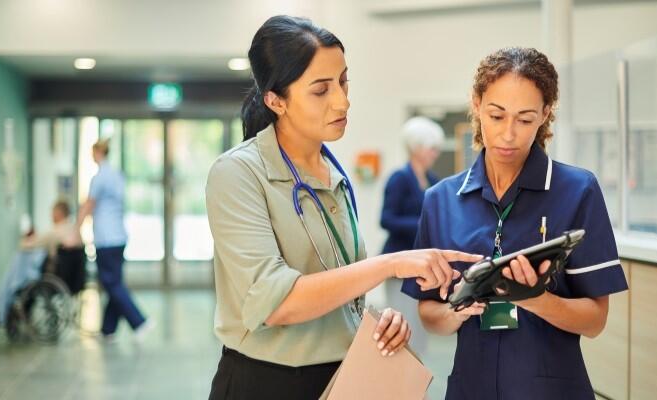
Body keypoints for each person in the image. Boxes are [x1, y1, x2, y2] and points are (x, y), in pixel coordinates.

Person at [206, 15, 480, 400]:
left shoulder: (332, 171)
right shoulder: (237, 173)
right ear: (275, 100)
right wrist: (389, 264)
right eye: (321, 90)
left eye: (343, 81)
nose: (343, 100)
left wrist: (372, 322)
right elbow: (275, 302)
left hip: (343, 376)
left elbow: (338, 288)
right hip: (267, 383)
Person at [402, 47, 629, 399]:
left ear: (545, 114)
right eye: (496, 116)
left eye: (524, 119)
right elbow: (428, 311)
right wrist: (457, 311)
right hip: (469, 388)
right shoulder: (441, 200)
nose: (509, 134)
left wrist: (535, 299)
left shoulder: (578, 190)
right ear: (477, 104)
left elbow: (595, 320)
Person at [380, 116, 444, 355]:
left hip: (421, 270)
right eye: (432, 148)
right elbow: (386, 219)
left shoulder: (433, 181)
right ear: (417, 147)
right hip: (398, 268)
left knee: (419, 335)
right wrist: (421, 225)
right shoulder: (399, 179)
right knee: (401, 330)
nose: (435, 153)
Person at [77, 139, 150, 341]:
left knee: (111, 283)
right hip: (118, 236)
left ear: (98, 152)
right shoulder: (117, 175)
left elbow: (88, 205)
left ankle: (139, 321)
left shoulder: (99, 177)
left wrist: (76, 228)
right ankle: (108, 330)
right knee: (113, 283)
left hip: (106, 239)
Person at [0, 200, 82, 325]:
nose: (51, 215)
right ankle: (2, 309)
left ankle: (1, 311)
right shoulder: (72, 229)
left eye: (52, 212)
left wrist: (26, 238)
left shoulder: (58, 231)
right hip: (66, 277)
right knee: (22, 264)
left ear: (59, 213)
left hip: (54, 275)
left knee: (18, 262)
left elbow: (27, 244)